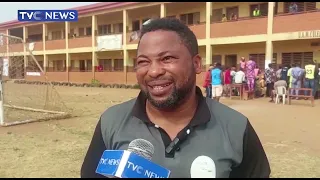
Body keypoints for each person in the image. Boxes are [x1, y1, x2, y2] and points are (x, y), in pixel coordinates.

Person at [80, 18, 270, 178]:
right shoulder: (111, 122)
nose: (153, 71)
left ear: (196, 64)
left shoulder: (236, 128)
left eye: (167, 59)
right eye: (143, 62)